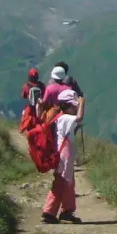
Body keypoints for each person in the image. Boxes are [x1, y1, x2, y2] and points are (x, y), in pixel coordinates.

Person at [41, 87, 84, 223]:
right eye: (74, 106)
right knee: (64, 183)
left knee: (64, 182)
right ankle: (54, 212)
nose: (76, 108)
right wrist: (82, 102)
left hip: (64, 153)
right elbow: (79, 118)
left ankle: (61, 210)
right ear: (67, 106)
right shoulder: (66, 118)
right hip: (65, 154)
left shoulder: (61, 117)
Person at [19, 68, 44, 134]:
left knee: (24, 117)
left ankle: (24, 131)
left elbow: (23, 96)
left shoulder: (26, 86)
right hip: (40, 108)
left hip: (29, 107)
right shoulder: (41, 85)